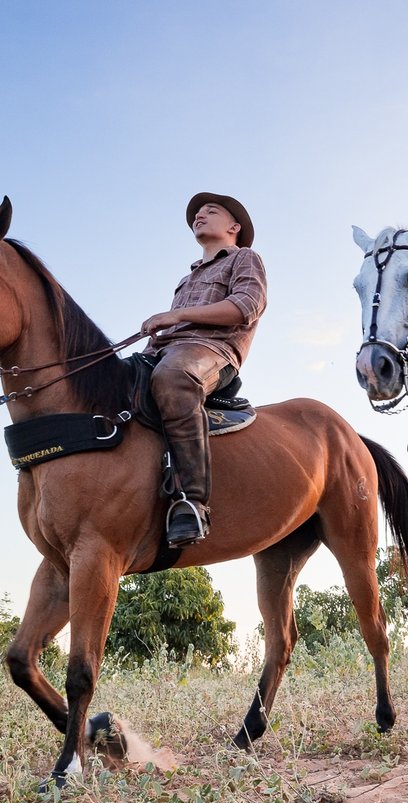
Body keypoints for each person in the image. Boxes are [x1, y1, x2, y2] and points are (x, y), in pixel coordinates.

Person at [139, 193, 267, 545]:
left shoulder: (245, 258)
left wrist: (176, 315)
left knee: (173, 378)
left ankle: (191, 502)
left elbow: (246, 306)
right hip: (166, 351)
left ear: (234, 227)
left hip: (213, 352)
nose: (200, 215)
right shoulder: (187, 278)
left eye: (211, 211)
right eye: (197, 213)